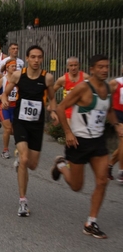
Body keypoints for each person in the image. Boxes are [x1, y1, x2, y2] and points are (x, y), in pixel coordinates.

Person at [52, 55, 123, 239]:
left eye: (107, 67)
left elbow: (108, 111)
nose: (104, 70)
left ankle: (91, 223)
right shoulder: (83, 88)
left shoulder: (108, 88)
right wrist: (67, 132)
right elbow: (60, 108)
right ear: (92, 69)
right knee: (76, 186)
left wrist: (116, 125)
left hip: (98, 141)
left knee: (102, 181)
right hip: (79, 142)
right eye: (100, 67)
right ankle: (61, 164)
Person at [1, 45, 58, 217]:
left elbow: (53, 99)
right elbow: (5, 93)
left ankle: (21, 163)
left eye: (39, 57)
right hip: (20, 122)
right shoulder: (19, 75)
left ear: (42, 59)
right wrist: (3, 100)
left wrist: (53, 110)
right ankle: (23, 201)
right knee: (25, 159)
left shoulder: (47, 78)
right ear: (27, 58)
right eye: (33, 57)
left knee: (32, 165)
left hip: (37, 124)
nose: (36, 60)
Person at [0, 43, 25, 135]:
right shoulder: (4, 61)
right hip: (6, 84)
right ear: (9, 50)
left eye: (17, 48)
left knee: (13, 128)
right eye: (13, 49)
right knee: (2, 103)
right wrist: (8, 78)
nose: (15, 50)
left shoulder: (21, 62)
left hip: (16, 88)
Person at [0, 59, 18, 158]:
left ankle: (18, 144)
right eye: (12, 66)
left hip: (15, 108)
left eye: (15, 66)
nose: (14, 68)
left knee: (15, 130)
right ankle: (5, 151)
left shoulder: (19, 80)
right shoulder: (4, 80)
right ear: (7, 68)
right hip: (3, 108)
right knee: (8, 128)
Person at [53, 57, 89, 125]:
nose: (73, 68)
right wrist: (53, 106)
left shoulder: (85, 77)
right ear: (67, 66)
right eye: (71, 65)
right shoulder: (62, 79)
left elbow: (93, 91)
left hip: (82, 110)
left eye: (75, 65)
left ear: (79, 65)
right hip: (68, 111)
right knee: (70, 133)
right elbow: (51, 93)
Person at [108, 66, 123, 181]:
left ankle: (109, 164)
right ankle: (121, 172)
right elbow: (104, 96)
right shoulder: (116, 83)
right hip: (119, 115)